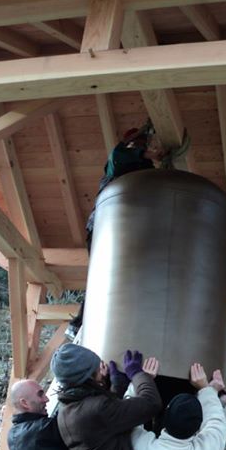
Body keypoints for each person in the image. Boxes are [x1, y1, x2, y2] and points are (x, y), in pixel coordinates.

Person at [66, 124, 164, 340]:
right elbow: (120, 154)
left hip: (132, 230)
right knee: (103, 277)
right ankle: (80, 323)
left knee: (128, 280)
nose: (139, 148)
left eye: (141, 144)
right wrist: (146, 145)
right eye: (136, 145)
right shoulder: (117, 163)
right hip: (105, 228)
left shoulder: (147, 172)